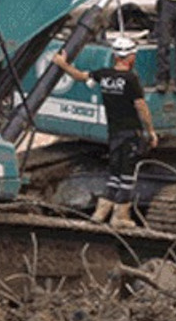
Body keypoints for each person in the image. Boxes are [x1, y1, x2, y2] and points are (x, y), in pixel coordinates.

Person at [53, 36, 158, 228]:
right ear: (131, 57)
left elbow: (80, 76)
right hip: (130, 132)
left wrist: (63, 64)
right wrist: (150, 131)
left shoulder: (104, 75)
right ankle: (120, 217)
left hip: (114, 133)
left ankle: (100, 214)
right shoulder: (131, 79)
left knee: (114, 174)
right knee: (127, 176)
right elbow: (141, 107)